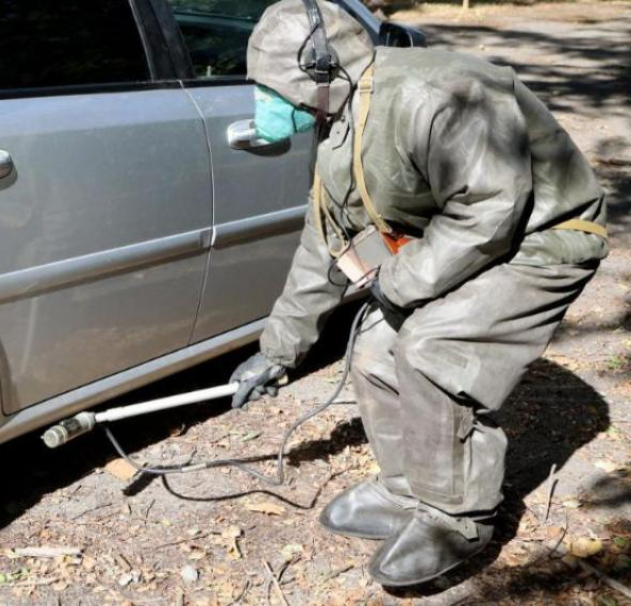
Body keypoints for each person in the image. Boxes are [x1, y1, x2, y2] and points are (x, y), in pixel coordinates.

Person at [230, 0, 608, 587]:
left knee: (432, 347)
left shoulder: (437, 96)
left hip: (543, 236)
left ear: (327, 66)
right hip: (461, 239)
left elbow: (490, 208)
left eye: (281, 90)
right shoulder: (341, 119)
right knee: (376, 349)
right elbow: (325, 243)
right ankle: (408, 488)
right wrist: (278, 350)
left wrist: (400, 284)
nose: (273, 107)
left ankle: (456, 518)